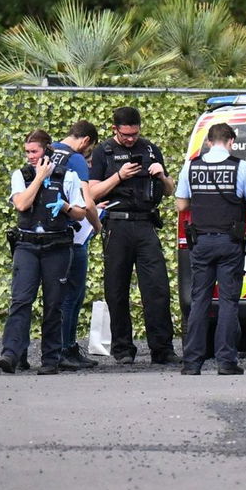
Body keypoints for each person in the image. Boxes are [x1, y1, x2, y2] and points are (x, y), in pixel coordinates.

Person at [87, 106, 177, 364]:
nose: (130, 139)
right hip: (117, 225)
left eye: (134, 134)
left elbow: (170, 190)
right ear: (115, 129)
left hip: (145, 224)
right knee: (116, 289)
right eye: (126, 135)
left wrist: (161, 175)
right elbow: (92, 193)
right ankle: (123, 349)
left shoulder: (149, 149)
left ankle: (163, 349)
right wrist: (119, 176)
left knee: (157, 288)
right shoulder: (103, 152)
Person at [175, 122, 246, 375]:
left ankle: (192, 363)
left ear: (209, 142)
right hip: (229, 242)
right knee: (227, 302)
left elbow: (181, 206)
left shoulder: (191, 167)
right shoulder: (240, 167)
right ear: (231, 141)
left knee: (199, 300)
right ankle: (226, 362)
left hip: (201, 242)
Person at [0, 129, 89, 375]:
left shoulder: (67, 176)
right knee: (21, 300)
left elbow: (81, 211)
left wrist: (67, 206)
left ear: (46, 150)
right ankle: (11, 354)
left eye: (34, 151)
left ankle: (51, 358)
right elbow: (21, 204)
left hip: (57, 245)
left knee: (53, 303)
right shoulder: (22, 175)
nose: (29, 156)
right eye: (27, 151)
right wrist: (39, 177)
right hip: (27, 244)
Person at [52, 120, 101, 369]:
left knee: (57, 295)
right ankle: (66, 349)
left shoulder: (50, 149)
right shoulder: (76, 158)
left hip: (50, 233)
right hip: (73, 235)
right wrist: (98, 224)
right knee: (74, 293)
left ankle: (56, 348)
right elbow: (88, 201)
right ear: (85, 141)